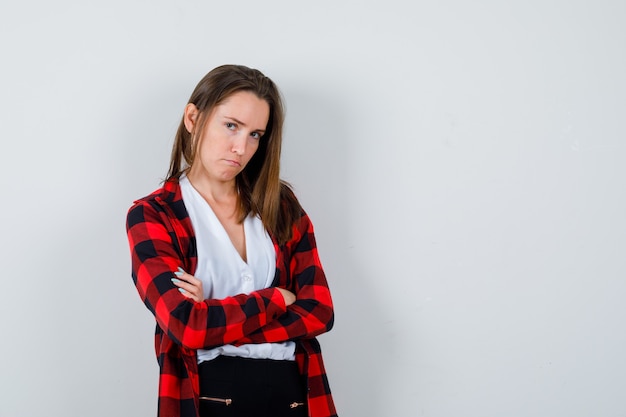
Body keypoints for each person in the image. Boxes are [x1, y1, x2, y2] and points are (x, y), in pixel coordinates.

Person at [126, 64, 337, 417]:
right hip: (207, 397)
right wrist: (275, 299)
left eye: (255, 134)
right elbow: (186, 326)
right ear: (193, 118)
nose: (241, 147)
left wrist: (213, 317)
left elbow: (320, 312)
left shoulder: (281, 206)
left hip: (293, 395)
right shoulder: (154, 216)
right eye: (231, 126)